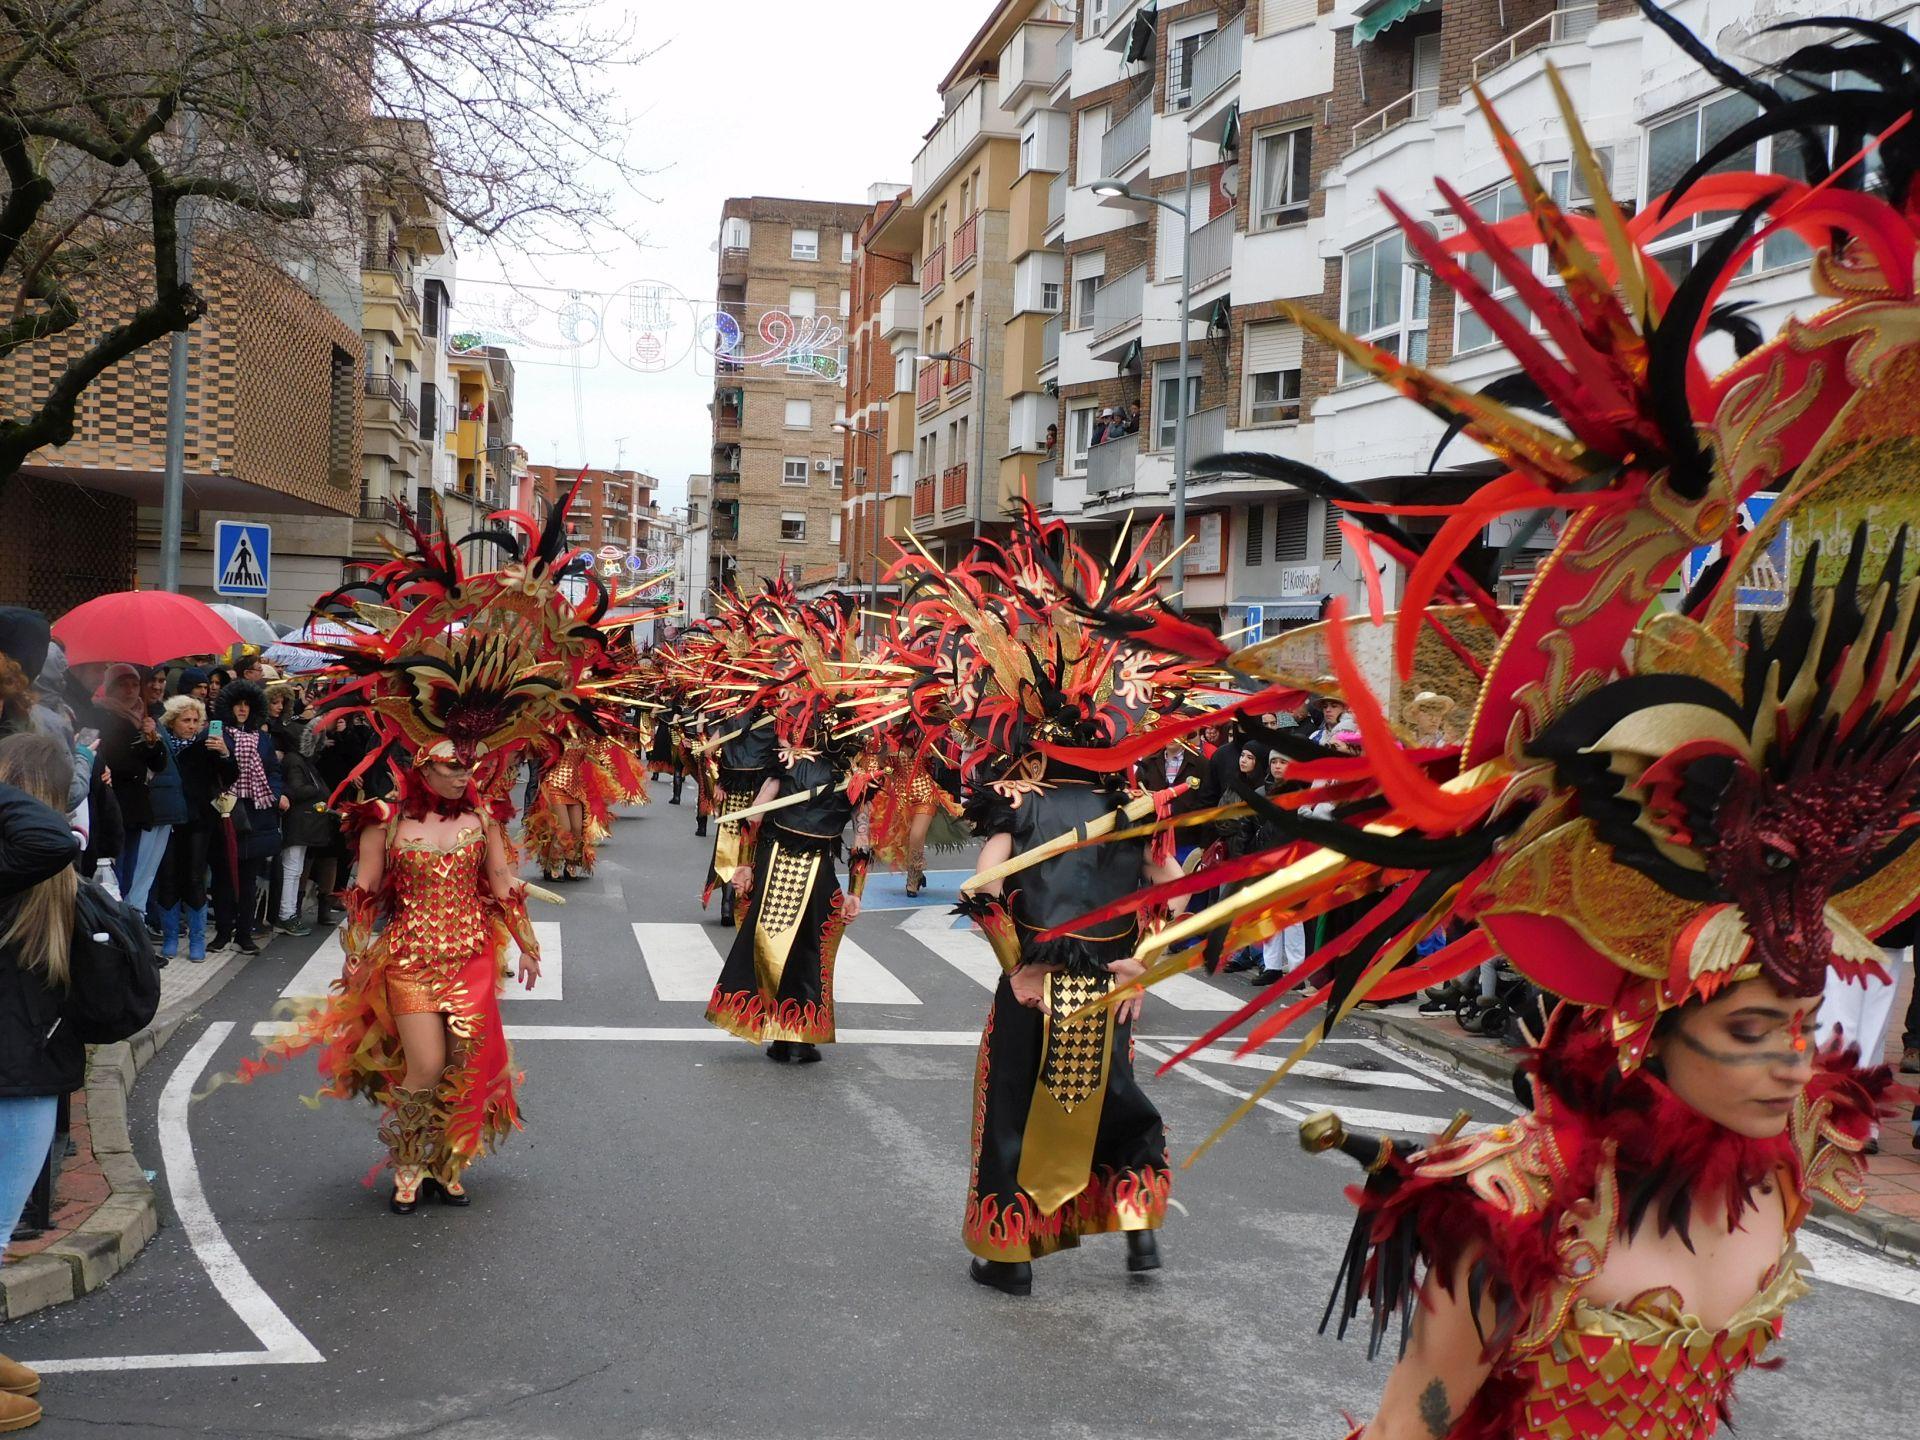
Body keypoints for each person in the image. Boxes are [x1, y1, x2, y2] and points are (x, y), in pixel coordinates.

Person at [236, 494, 600, 1212]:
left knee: (466, 1063)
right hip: (407, 959)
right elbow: (365, 892)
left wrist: (525, 943)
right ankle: (409, 1158)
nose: (465, 772)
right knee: (424, 1063)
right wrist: (355, 949)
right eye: (450, 764)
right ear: (420, 762)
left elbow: (501, 886)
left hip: (467, 953)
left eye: (470, 764)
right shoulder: (384, 820)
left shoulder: (485, 819)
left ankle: (445, 1162)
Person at [0, 733, 154, 1436]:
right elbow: (49, 837)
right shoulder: (24, 855)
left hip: (29, 1068)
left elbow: (55, 841)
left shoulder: (29, 863)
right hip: (17, 1071)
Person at [155, 695, 234, 963]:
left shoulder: (206, 745)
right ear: (172, 722)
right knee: (167, 877)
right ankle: (169, 936)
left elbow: (230, 775)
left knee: (194, 876)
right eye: (185, 720)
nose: (191, 726)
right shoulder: (161, 743)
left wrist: (224, 753)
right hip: (167, 818)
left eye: (195, 721)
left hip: (199, 819)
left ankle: (197, 939)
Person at [208, 680, 283, 955]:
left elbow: (274, 770)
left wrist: (273, 793)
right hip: (226, 810)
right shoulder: (217, 733)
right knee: (223, 876)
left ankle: (244, 933)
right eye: (237, 704)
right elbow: (211, 769)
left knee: (249, 877)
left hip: (257, 810)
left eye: (247, 705)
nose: (242, 709)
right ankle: (223, 932)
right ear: (228, 706)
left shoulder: (262, 738)